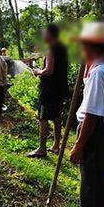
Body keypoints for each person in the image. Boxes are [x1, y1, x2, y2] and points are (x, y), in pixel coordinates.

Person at [69, 21, 104, 207]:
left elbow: (92, 115)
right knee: (99, 187)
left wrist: (79, 145)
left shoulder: (100, 73)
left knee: (91, 190)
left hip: (95, 135)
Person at [27, 24, 69, 158]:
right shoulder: (63, 48)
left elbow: (49, 70)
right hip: (60, 88)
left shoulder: (51, 49)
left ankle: (42, 148)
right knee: (56, 116)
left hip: (49, 89)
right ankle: (56, 145)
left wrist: (38, 71)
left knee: (43, 117)